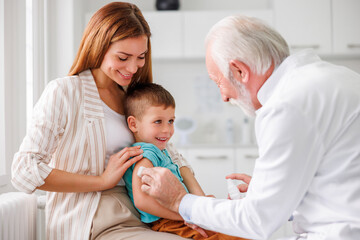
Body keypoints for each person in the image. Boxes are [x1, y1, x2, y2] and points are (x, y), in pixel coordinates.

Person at [137, 15, 360, 240]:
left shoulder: (286, 105)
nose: (223, 97)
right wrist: (277, 191)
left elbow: (256, 221)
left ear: (240, 71)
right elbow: (338, 183)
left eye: (218, 82)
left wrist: (179, 201)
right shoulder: (333, 77)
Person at [11, 2, 192, 240]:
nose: (133, 67)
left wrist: (199, 204)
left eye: (141, 57)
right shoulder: (65, 92)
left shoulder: (134, 97)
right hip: (96, 220)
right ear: (98, 47)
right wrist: (102, 180)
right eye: (123, 57)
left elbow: (173, 155)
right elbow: (25, 171)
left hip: (148, 217)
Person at [122, 82, 247, 240]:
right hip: (169, 221)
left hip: (180, 212)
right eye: (158, 122)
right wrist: (185, 216)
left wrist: (200, 211)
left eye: (171, 121)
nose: (167, 130)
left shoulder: (161, 151)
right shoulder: (147, 154)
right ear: (133, 124)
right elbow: (142, 201)